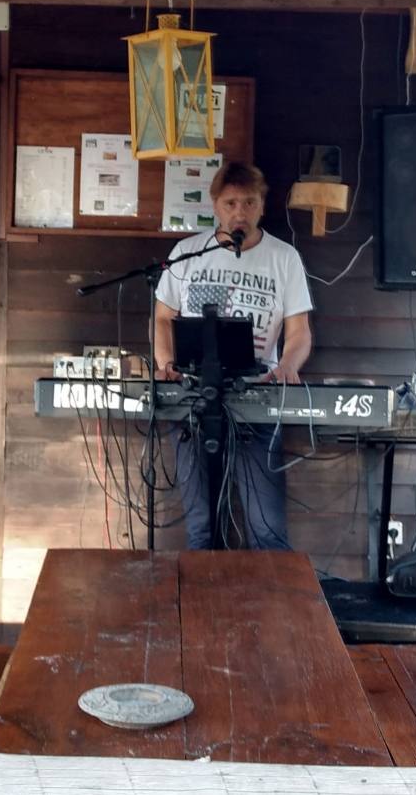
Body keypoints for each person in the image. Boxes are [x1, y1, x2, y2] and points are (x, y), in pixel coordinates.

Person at [153, 161, 313, 551]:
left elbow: (299, 331)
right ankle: (203, 592)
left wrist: (288, 365)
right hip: (192, 396)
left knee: (266, 528)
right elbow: (162, 318)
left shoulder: (284, 258)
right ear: (215, 205)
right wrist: (165, 364)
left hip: (256, 396)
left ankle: (271, 593)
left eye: (249, 202)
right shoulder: (186, 253)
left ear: (262, 205)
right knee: (201, 529)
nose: (239, 212)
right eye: (230, 203)